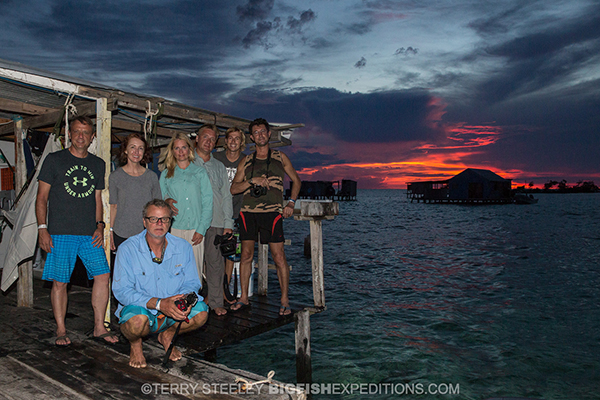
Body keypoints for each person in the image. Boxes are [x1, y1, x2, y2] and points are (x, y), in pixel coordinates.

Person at [36, 115, 118, 346]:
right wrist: (43, 228)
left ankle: (99, 327)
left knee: (103, 276)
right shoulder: (54, 160)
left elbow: (97, 199)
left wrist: (100, 225)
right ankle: (61, 329)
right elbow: (41, 198)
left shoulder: (98, 163)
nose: (81, 136)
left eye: (86, 133)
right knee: (60, 282)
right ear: (68, 134)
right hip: (59, 232)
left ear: (92, 137)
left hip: (88, 233)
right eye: (76, 132)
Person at [112, 199, 208, 368]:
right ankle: (135, 345)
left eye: (164, 219)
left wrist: (183, 300)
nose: (159, 223)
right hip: (143, 311)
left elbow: (193, 282)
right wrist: (159, 304)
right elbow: (121, 291)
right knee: (136, 322)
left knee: (202, 313)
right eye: (153, 219)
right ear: (144, 221)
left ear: (170, 222)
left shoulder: (183, 247)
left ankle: (168, 335)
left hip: (172, 310)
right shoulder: (127, 249)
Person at [230, 118, 301, 315]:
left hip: (273, 213)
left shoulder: (280, 157)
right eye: (256, 133)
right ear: (251, 137)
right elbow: (234, 188)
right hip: (248, 213)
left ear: (269, 134)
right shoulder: (247, 160)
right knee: (245, 256)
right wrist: (251, 181)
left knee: (279, 256)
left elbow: (296, 180)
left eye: (263, 131)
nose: (260, 135)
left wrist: (291, 203)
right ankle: (243, 298)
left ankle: (285, 300)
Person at [159, 133, 212, 279]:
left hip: (195, 229)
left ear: (189, 149)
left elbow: (208, 202)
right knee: (174, 270)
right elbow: (160, 199)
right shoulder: (165, 174)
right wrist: (167, 201)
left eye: (183, 147)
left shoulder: (200, 172)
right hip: (174, 229)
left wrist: (201, 229)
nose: (181, 151)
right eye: (177, 148)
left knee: (195, 271)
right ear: (172, 151)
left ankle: (194, 300)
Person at [193, 124, 234, 316]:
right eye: (205, 137)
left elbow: (226, 195)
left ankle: (217, 302)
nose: (208, 142)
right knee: (190, 264)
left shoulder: (219, 166)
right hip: (192, 222)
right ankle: (189, 304)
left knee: (216, 264)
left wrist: (228, 224)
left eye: (212, 139)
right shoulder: (186, 161)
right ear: (197, 139)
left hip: (216, 221)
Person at [109, 133, 161, 251]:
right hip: (121, 233)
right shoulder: (115, 176)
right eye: (132, 147)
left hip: (146, 233)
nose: (136, 152)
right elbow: (113, 206)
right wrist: (110, 231)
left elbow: (157, 207)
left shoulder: (151, 177)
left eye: (140, 148)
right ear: (126, 150)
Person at [213, 127, 246, 297]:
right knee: (211, 253)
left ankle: (226, 291)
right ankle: (212, 289)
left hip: (236, 215)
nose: (233, 141)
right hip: (214, 213)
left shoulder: (246, 160)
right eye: (230, 138)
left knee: (229, 254)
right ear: (225, 141)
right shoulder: (215, 158)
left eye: (237, 138)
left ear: (242, 142)